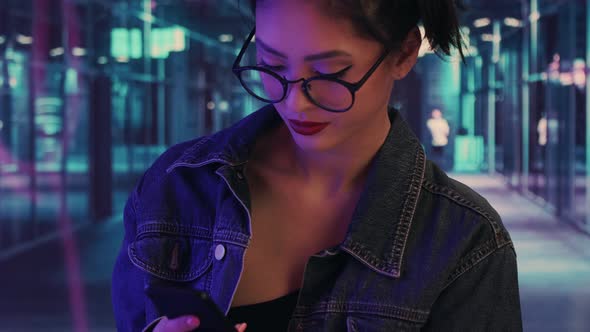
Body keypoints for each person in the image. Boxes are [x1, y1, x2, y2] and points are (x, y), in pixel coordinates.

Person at [112, 0, 523, 331]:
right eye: (272, 65)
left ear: (404, 53)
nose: (295, 102)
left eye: (330, 72)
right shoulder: (179, 183)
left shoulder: (466, 241)